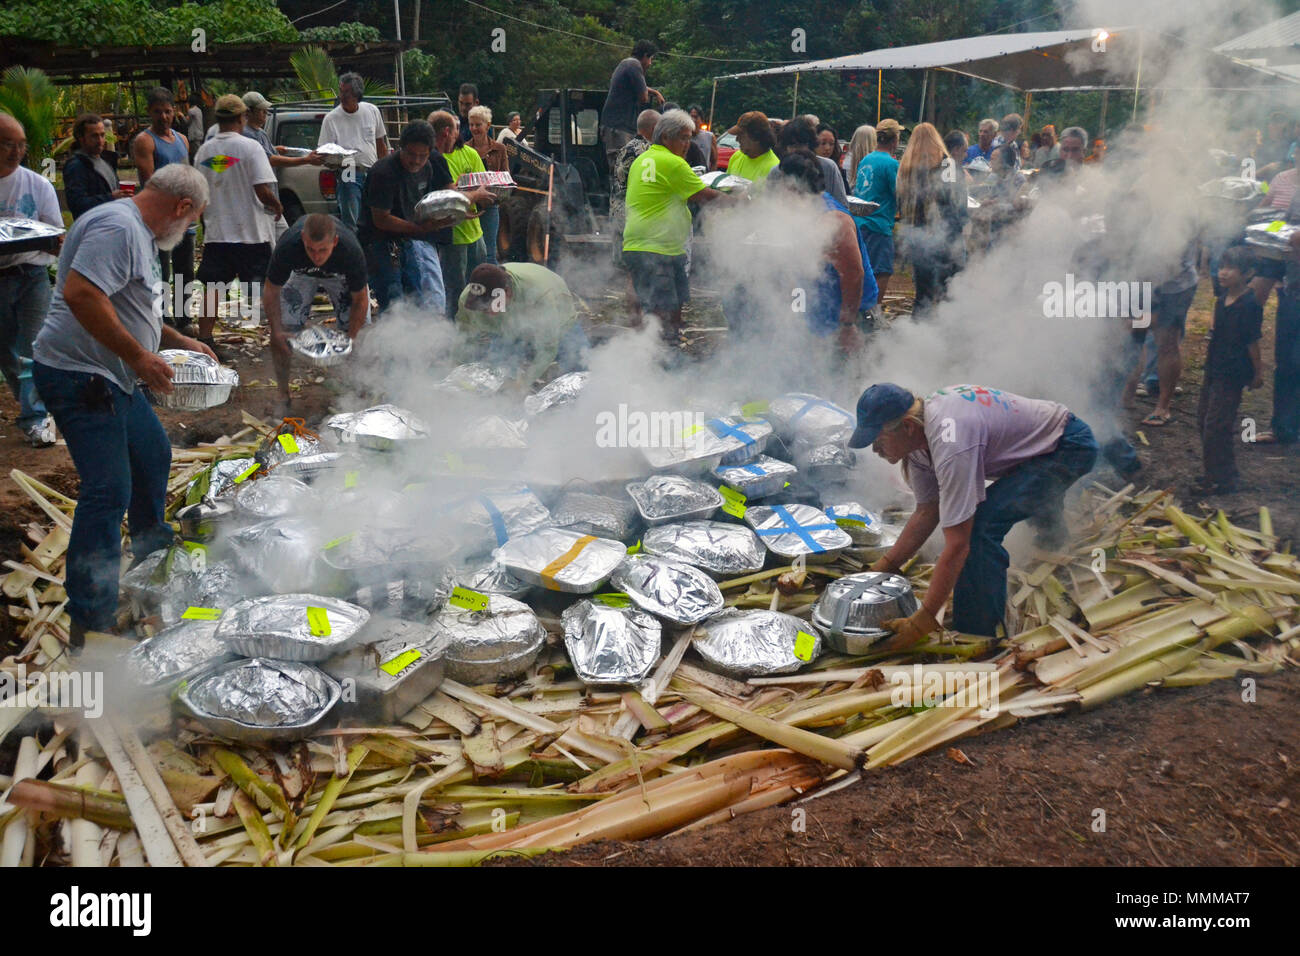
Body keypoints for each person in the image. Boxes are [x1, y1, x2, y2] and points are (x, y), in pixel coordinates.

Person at [31, 165, 214, 649]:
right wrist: (137, 356)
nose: (188, 228)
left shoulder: (132, 229)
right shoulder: (118, 228)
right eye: (193, 218)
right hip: (82, 376)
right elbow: (80, 294)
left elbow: (130, 307)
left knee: (152, 455)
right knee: (108, 490)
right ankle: (91, 621)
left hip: (112, 374)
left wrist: (176, 339)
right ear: (180, 207)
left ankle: (152, 565)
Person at [849, 383, 1098, 642]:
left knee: (981, 528)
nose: (875, 450)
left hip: (1068, 447)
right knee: (1019, 498)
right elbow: (927, 511)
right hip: (1040, 447)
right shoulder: (920, 443)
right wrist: (886, 567)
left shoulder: (951, 443)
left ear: (908, 427)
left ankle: (980, 633)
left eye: (877, 440)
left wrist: (924, 618)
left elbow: (959, 544)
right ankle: (1054, 543)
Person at [358, 119, 492, 316]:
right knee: (393, 298)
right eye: (411, 154)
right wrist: (422, 229)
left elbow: (434, 202)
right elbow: (381, 219)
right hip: (379, 242)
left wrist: (456, 214)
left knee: (417, 296)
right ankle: (390, 343)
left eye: (423, 155)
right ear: (400, 148)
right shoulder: (384, 173)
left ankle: (417, 341)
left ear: (431, 151)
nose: (416, 161)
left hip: (410, 239)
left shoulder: (428, 167)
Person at [623, 110, 728, 342]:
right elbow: (705, 195)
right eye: (682, 137)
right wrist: (741, 202)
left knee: (654, 310)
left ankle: (645, 355)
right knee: (664, 315)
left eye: (689, 137)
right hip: (658, 247)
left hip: (642, 244)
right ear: (665, 138)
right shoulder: (672, 163)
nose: (687, 144)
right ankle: (663, 362)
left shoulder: (642, 160)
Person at [193, 95, 282, 355]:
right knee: (266, 287)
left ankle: (206, 339)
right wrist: (276, 205)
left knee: (213, 288)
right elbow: (261, 189)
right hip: (250, 234)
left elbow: (201, 192)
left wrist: (205, 222)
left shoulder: (205, 152)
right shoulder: (250, 148)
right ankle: (279, 336)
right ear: (242, 118)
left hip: (218, 234)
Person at [263, 214, 369, 417]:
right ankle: (282, 395)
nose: (317, 256)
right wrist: (276, 330)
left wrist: (353, 338)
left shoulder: (350, 250)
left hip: (339, 276)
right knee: (282, 334)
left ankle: (356, 394)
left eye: (323, 250)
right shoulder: (288, 246)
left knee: (357, 336)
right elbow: (271, 290)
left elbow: (361, 299)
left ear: (334, 241)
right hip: (301, 273)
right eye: (310, 249)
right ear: (303, 238)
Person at [772, 149, 876, 352]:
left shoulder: (833, 220)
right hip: (818, 315)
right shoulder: (801, 214)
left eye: (783, 182)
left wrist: (847, 326)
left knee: (842, 379)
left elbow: (854, 275)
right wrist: (795, 313)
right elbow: (799, 270)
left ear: (795, 185)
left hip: (848, 318)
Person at [0, 113, 59, 447]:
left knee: (33, 349)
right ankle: (30, 406)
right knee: (6, 353)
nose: (16, 151)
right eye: (8, 143)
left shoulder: (37, 185)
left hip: (31, 276)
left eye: (21, 144)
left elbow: (54, 234)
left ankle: (36, 417)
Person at [455, 262, 589, 390]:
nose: (486, 312)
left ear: (506, 293)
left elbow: (548, 349)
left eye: (489, 306)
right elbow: (464, 337)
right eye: (481, 308)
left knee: (577, 367)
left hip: (558, 316)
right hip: (508, 328)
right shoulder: (467, 300)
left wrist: (524, 383)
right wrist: (458, 370)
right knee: (499, 368)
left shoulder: (539, 296)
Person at [1195, 247, 1263, 496]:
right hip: (1214, 369)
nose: (1223, 273)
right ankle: (1214, 473)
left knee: (1216, 426)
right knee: (1203, 421)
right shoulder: (1221, 301)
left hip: (1232, 373)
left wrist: (1258, 372)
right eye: (1222, 267)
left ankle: (1224, 480)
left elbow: (1251, 341)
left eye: (1230, 268)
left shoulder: (1250, 305)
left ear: (1248, 273)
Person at [131, 87, 194, 329]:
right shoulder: (145, 141)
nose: (164, 117)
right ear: (149, 112)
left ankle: (184, 318)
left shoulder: (182, 140)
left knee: (185, 272)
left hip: (183, 217)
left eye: (168, 112)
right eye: (158, 112)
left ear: (174, 112)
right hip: (160, 219)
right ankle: (162, 321)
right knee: (161, 272)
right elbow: (150, 181)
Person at [896, 121, 968, 316]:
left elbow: (902, 205)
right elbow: (957, 202)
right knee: (950, 291)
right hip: (946, 239)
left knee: (923, 294)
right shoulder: (947, 164)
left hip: (917, 237)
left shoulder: (906, 167)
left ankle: (920, 334)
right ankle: (947, 334)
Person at [318, 73, 389, 235]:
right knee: (351, 218)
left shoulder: (372, 111)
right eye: (341, 92)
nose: (342, 96)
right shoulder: (331, 118)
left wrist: (385, 171)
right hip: (347, 169)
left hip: (372, 170)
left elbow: (380, 144)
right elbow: (323, 153)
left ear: (357, 94)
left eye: (346, 93)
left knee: (375, 216)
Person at [438, 113, 494, 316]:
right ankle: (454, 330)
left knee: (479, 285)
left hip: (475, 231)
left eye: (457, 127)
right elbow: (445, 197)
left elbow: (483, 186)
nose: (456, 132)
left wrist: (472, 193)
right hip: (453, 235)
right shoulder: (438, 158)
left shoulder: (470, 153)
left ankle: (477, 325)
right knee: (455, 290)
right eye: (454, 128)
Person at [853, 118, 902, 306]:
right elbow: (900, 193)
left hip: (860, 222)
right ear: (895, 139)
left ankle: (860, 310)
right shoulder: (891, 164)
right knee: (882, 271)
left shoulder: (867, 158)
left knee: (864, 269)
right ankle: (872, 312)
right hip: (878, 224)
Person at [600, 41, 664, 170]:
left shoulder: (626, 64)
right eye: (650, 59)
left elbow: (641, 88)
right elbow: (643, 97)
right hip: (618, 127)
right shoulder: (634, 65)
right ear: (645, 56)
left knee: (628, 165)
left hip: (618, 125)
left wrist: (655, 92)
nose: (650, 64)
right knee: (622, 167)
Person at [610, 109, 658, 273]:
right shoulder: (646, 151)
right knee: (637, 271)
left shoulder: (627, 148)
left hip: (619, 213)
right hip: (634, 217)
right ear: (654, 128)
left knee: (628, 269)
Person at [63, 113, 127, 220]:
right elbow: (77, 204)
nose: (100, 141)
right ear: (81, 138)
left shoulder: (107, 160)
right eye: (94, 136)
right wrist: (111, 197)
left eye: (102, 135)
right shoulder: (76, 166)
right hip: (93, 227)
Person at [467, 105, 509, 265]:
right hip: (470, 204)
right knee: (473, 250)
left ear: (488, 125)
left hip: (490, 204)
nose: (474, 128)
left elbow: (506, 175)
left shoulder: (499, 149)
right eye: (471, 125)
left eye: (478, 125)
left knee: (489, 251)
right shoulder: (464, 148)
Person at [778, 117, 847, 206]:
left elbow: (842, 205)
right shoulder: (777, 171)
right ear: (785, 147)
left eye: (802, 144)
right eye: (792, 145)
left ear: (811, 145)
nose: (798, 149)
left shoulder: (829, 167)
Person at [726, 111, 780, 184]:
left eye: (741, 135)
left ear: (756, 137)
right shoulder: (736, 156)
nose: (737, 139)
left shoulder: (772, 168)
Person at [689, 105, 717, 172]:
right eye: (691, 117)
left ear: (701, 120)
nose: (693, 120)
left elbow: (714, 161)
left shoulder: (709, 137)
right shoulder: (681, 137)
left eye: (696, 117)